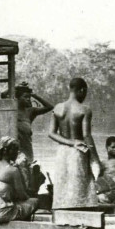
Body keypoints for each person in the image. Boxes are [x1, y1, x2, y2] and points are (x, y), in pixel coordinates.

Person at [48, 78, 99, 210]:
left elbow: (51, 133)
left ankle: (63, 217)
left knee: (63, 185)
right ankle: (82, 218)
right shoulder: (84, 109)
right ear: (82, 90)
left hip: (62, 152)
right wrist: (95, 160)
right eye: (85, 92)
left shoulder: (58, 108)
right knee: (81, 186)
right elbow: (87, 136)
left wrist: (69, 142)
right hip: (78, 151)